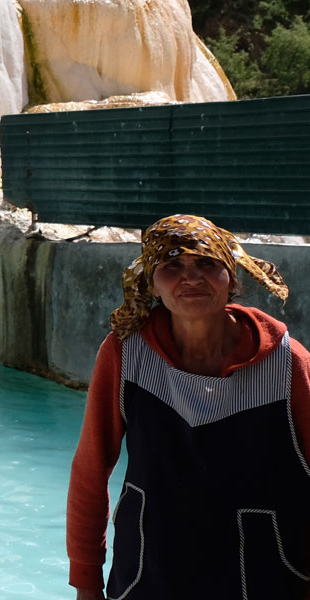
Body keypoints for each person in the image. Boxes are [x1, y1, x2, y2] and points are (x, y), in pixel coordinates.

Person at [66, 214, 310, 599]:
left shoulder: (287, 363)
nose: (191, 278)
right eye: (172, 266)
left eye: (207, 264)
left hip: (265, 575)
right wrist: (86, 581)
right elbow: (91, 471)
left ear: (231, 274)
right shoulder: (126, 355)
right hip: (148, 573)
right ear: (151, 282)